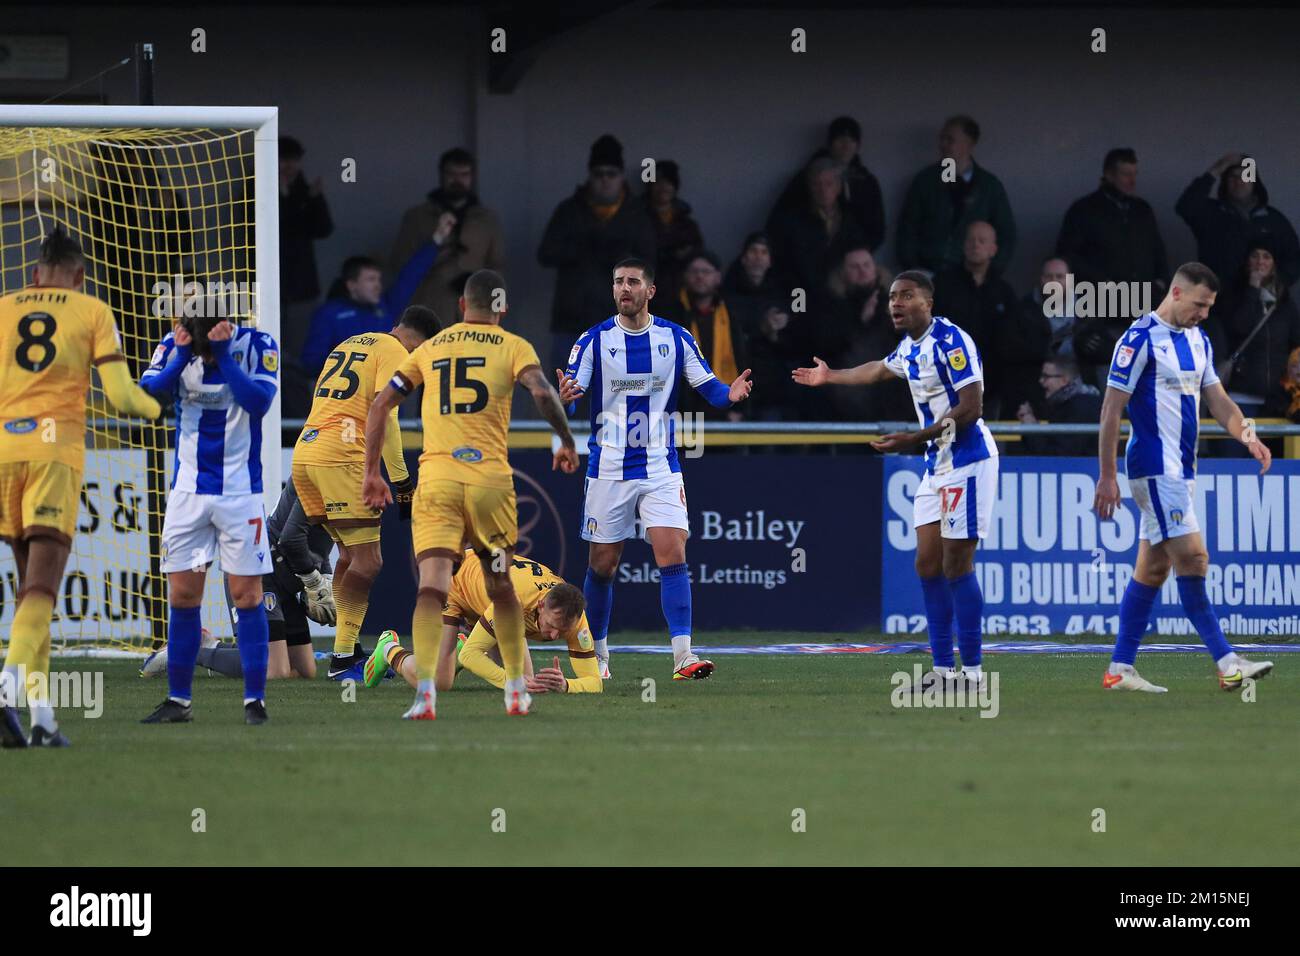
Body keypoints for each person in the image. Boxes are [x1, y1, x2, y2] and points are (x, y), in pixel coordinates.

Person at [362, 270, 580, 719]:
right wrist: (566, 440)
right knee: (500, 585)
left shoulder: (429, 348)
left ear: (462, 306)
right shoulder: (514, 346)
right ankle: (516, 691)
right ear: (501, 308)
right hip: (489, 487)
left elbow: (381, 403)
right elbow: (542, 392)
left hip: (438, 482)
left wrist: (371, 473)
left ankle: (424, 695)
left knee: (431, 587)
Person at [793, 271, 998, 688]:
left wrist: (914, 437)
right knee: (927, 563)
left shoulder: (952, 342)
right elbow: (879, 370)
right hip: (935, 465)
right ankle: (943, 671)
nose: (895, 303)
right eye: (891, 297)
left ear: (928, 302)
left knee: (957, 563)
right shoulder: (911, 347)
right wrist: (831, 376)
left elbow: (972, 408)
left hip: (968, 461)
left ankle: (973, 675)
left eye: (906, 296)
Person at [0, 228, 161, 748]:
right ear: (80, 276)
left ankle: (43, 718)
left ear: (34, 274)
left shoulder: (4, 307)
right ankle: (4, 691)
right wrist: (160, 408)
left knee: (30, 592)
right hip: (54, 454)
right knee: (44, 588)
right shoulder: (91, 310)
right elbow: (120, 397)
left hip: (3, 453)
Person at [557, 258, 753, 681]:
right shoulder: (594, 340)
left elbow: (710, 389)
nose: (624, 288)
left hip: (661, 466)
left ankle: (683, 655)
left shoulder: (675, 337)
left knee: (673, 551)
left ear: (651, 290)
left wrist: (731, 394)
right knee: (603, 565)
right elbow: (572, 393)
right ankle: (600, 659)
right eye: (618, 282)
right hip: (608, 467)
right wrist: (567, 396)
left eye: (632, 282)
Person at [1094, 263, 1275, 693]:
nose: (1204, 314)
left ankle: (1120, 668)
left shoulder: (1199, 340)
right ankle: (1228, 663)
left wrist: (1249, 437)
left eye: (1209, 307)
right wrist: (1106, 476)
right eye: (1199, 305)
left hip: (1182, 471)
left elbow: (1219, 401)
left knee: (1153, 569)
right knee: (1193, 559)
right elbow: (1110, 411)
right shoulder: (1138, 340)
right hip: (1154, 470)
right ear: (1176, 293)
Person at [138, 306, 280, 725]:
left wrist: (226, 356)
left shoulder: (257, 344)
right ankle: (178, 701)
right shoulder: (175, 346)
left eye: (208, 350)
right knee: (183, 596)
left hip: (241, 495)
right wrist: (183, 356)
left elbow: (259, 402)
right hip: (188, 496)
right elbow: (151, 398)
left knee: (247, 596)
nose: (206, 358)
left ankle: (255, 700)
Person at [293, 305, 441, 680]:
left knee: (348, 556)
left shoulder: (349, 343)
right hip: (342, 457)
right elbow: (385, 413)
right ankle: (343, 661)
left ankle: (347, 651)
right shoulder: (396, 351)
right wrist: (401, 480)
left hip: (308, 452)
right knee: (370, 561)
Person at [140, 477, 337, 681]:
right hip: (262, 571)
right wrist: (315, 583)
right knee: (275, 671)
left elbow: (321, 545)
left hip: (285, 578)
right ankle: (186, 649)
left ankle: (211, 646)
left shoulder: (342, 474)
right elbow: (290, 540)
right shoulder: (320, 471)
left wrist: (326, 579)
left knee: (305, 671)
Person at [363, 549, 600, 696]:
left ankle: (471, 638)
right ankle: (389, 650)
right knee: (439, 682)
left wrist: (567, 685)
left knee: (530, 686)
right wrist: (509, 682)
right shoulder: (512, 601)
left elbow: (595, 683)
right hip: (455, 582)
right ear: (541, 606)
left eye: (562, 631)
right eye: (551, 626)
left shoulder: (573, 615)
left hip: (491, 597)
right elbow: (470, 656)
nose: (552, 636)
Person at [538, 134, 657, 373]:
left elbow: (651, 264)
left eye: (611, 174)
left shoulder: (637, 214)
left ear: (621, 177)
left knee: (620, 399)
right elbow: (545, 254)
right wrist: (582, 247)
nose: (604, 180)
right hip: (572, 321)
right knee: (567, 399)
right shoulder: (569, 210)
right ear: (590, 176)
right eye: (598, 174)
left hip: (620, 321)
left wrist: (620, 258)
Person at [389, 147, 507, 327]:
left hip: (474, 309)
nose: (457, 180)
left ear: (472, 177)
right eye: (452, 174)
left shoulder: (486, 220)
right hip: (428, 306)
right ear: (441, 175)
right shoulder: (417, 217)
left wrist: (480, 285)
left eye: (464, 174)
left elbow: (497, 265)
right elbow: (400, 264)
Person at [300, 235, 448, 379]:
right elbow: (311, 363)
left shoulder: (385, 307)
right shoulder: (329, 314)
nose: (378, 285)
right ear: (352, 285)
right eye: (371, 279)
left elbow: (410, 277)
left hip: (385, 397)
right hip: (348, 397)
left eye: (378, 279)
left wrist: (436, 240)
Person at [896, 115, 1016, 274]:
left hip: (970, 276)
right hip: (928, 271)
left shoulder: (989, 187)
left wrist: (989, 273)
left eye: (950, 139)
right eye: (942, 139)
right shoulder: (925, 181)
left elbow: (1006, 234)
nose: (943, 145)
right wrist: (912, 266)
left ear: (969, 144)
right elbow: (907, 228)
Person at [932, 221, 1024, 415]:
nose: (975, 245)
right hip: (945, 385)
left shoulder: (1004, 292)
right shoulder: (942, 285)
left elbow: (1012, 343)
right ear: (963, 245)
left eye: (982, 241)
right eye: (971, 240)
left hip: (990, 388)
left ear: (993, 249)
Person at [1176, 153, 1300, 294]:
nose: (1239, 181)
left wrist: (1274, 286)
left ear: (1254, 181)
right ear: (1225, 182)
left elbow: (1294, 258)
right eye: (1232, 177)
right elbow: (1185, 207)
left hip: (1261, 306)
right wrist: (1217, 169)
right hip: (1217, 302)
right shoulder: (1211, 213)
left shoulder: (1273, 219)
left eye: (1245, 176)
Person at [1055, 148, 1168, 295]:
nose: (1132, 181)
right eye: (1126, 175)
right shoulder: (1084, 210)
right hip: (1101, 300)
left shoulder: (1142, 209)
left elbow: (1157, 249)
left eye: (1135, 174)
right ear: (1109, 175)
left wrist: (1161, 281)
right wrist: (1102, 282)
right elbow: (1068, 254)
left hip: (1143, 297)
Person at [770, 116, 886, 253]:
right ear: (830, 143)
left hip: (853, 261)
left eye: (851, 140)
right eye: (840, 139)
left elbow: (877, 227)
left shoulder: (867, 182)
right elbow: (781, 219)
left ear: (858, 146)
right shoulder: (806, 177)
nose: (846, 145)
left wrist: (860, 255)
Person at [659, 249, 750, 421]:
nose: (699, 276)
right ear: (685, 276)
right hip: (681, 409)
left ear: (718, 277)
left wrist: (741, 409)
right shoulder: (669, 314)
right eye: (694, 271)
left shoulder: (732, 313)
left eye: (706, 271)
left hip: (725, 407)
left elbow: (743, 360)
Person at [766, 156, 870, 296]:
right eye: (816, 184)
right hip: (800, 294)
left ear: (839, 187)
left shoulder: (850, 220)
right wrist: (797, 306)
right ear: (809, 187)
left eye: (829, 184)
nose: (823, 190)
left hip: (842, 296)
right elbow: (783, 268)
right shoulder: (792, 221)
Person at [278, 136, 334, 361]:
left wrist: (315, 199)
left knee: (300, 350)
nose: (289, 166)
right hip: (266, 284)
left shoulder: (306, 191)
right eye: (283, 159)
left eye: (294, 160)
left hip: (301, 285)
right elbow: (275, 227)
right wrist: (283, 196)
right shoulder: (253, 188)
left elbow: (324, 229)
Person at [645, 159, 705, 307]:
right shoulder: (636, 219)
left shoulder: (687, 224)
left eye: (668, 182)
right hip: (645, 295)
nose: (663, 187)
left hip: (681, 297)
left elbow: (698, 255)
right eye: (658, 182)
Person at [1015, 357, 1102, 456]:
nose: (1041, 381)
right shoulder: (1067, 404)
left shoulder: (1081, 407)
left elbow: (1059, 456)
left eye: (1046, 376)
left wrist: (1031, 428)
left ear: (1064, 380)